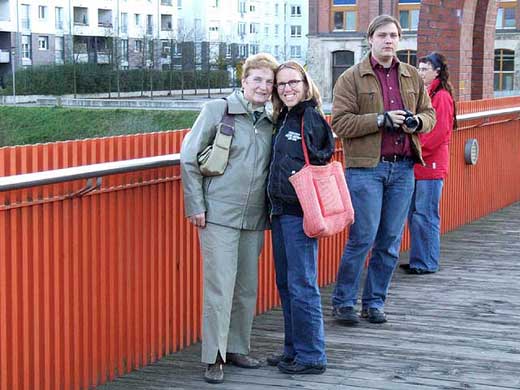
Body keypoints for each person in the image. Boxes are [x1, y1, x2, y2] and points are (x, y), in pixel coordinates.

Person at [180, 53, 279, 384]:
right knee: (219, 288)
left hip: (254, 217)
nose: (263, 87)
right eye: (257, 80)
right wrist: (196, 204)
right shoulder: (217, 110)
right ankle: (214, 356)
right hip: (218, 215)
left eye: (269, 82)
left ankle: (237, 347)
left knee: (246, 288)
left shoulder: (270, 121)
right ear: (244, 80)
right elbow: (189, 158)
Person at [331, 15, 436, 325]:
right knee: (362, 237)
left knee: (390, 241)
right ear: (370, 39)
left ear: (399, 40)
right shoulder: (352, 76)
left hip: (403, 169)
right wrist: (380, 119)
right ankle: (344, 302)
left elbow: (429, 113)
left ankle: (374, 303)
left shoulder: (412, 76)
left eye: (394, 35)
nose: (389, 40)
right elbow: (340, 123)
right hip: (366, 169)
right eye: (382, 35)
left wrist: (418, 123)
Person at [266, 61, 334, 374]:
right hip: (281, 211)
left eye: (293, 82)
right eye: (281, 84)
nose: (288, 88)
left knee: (302, 284)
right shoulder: (286, 117)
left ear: (306, 84)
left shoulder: (310, 117)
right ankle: (293, 350)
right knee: (286, 283)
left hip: (300, 213)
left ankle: (312, 355)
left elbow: (322, 159)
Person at [401, 52, 456, 275]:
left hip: (430, 166)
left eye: (425, 69)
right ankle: (419, 259)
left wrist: (411, 149)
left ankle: (426, 262)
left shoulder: (441, 96)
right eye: (419, 68)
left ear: (437, 71)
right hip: (420, 165)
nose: (420, 72)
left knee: (425, 215)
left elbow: (437, 132)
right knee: (416, 214)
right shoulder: (426, 93)